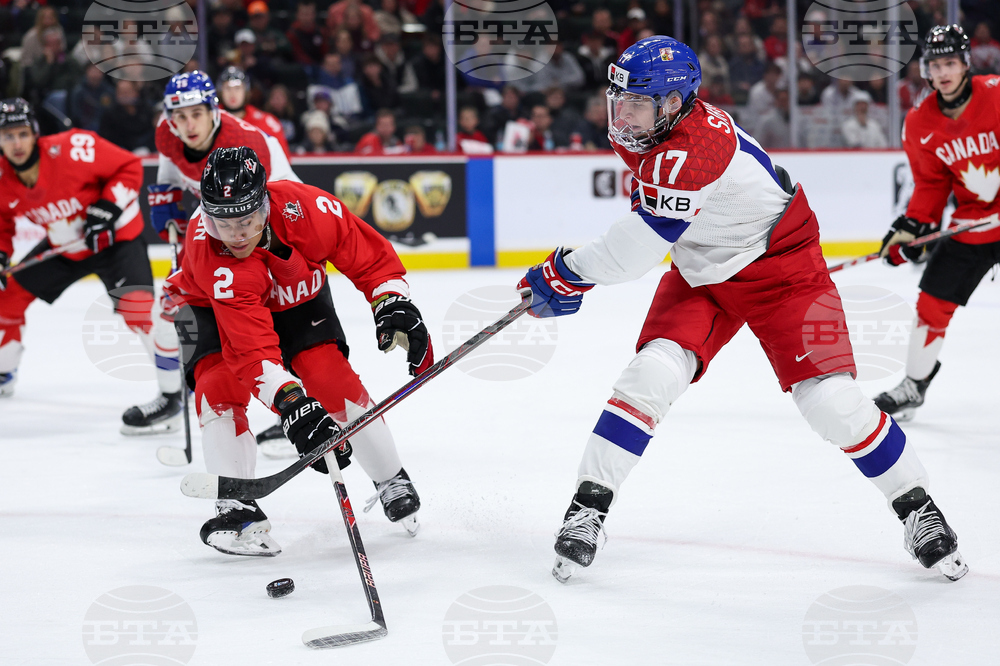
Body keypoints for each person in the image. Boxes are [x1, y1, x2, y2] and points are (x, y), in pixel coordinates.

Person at [517, 36, 968, 585]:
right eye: (620, 100)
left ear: (674, 102)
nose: (624, 114)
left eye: (637, 102)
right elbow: (649, 228)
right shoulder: (652, 130)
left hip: (785, 269)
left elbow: (633, 251)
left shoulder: (693, 149)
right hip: (703, 270)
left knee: (834, 404)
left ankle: (916, 506)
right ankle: (589, 507)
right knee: (650, 374)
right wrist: (576, 270)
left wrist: (563, 270)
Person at [164, 147, 431, 555]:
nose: (235, 235)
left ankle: (391, 477)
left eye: (247, 220)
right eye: (223, 222)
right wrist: (293, 406)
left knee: (328, 376)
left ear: (265, 205)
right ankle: (235, 506)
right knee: (217, 384)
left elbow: (365, 253)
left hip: (296, 298)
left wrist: (390, 299)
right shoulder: (212, 256)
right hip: (211, 307)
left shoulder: (307, 208)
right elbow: (253, 353)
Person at [118, 71, 300, 436]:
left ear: (214, 111)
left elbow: (285, 201)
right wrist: (166, 196)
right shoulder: (166, 132)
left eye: (196, 114)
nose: (188, 125)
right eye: (180, 116)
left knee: (277, 324)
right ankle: (171, 399)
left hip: (265, 235)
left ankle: (295, 409)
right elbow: (171, 167)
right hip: (213, 237)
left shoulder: (249, 142)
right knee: (169, 313)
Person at [875, 25, 1000, 420]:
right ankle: (914, 385)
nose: (943, 72)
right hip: (972, 225)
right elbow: (931, 183)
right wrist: (915, 226)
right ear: (926, 71)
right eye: (935, 65)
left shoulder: (997, 95)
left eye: (950, 62)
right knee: (931, 304)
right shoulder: (919, 122)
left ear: (966, 64)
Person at [0, 99, 154, 404]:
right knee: (7, 297)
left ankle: (179, 378)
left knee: (140, 310)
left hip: (115, 241)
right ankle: (4, 370)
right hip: (66, 249)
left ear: (35, 133)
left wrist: (107, 207)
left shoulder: (72, 148)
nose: (16, 143)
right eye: (7, 136)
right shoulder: (3, 179)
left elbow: (129, 166)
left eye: (22, 133)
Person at [216, 66, 292, 158]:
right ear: (220, 92)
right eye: (227, 88)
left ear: (246, 91)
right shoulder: (210, 119)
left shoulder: (266, 122)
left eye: (237, 88)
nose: (232, 94)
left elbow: (282, 160)